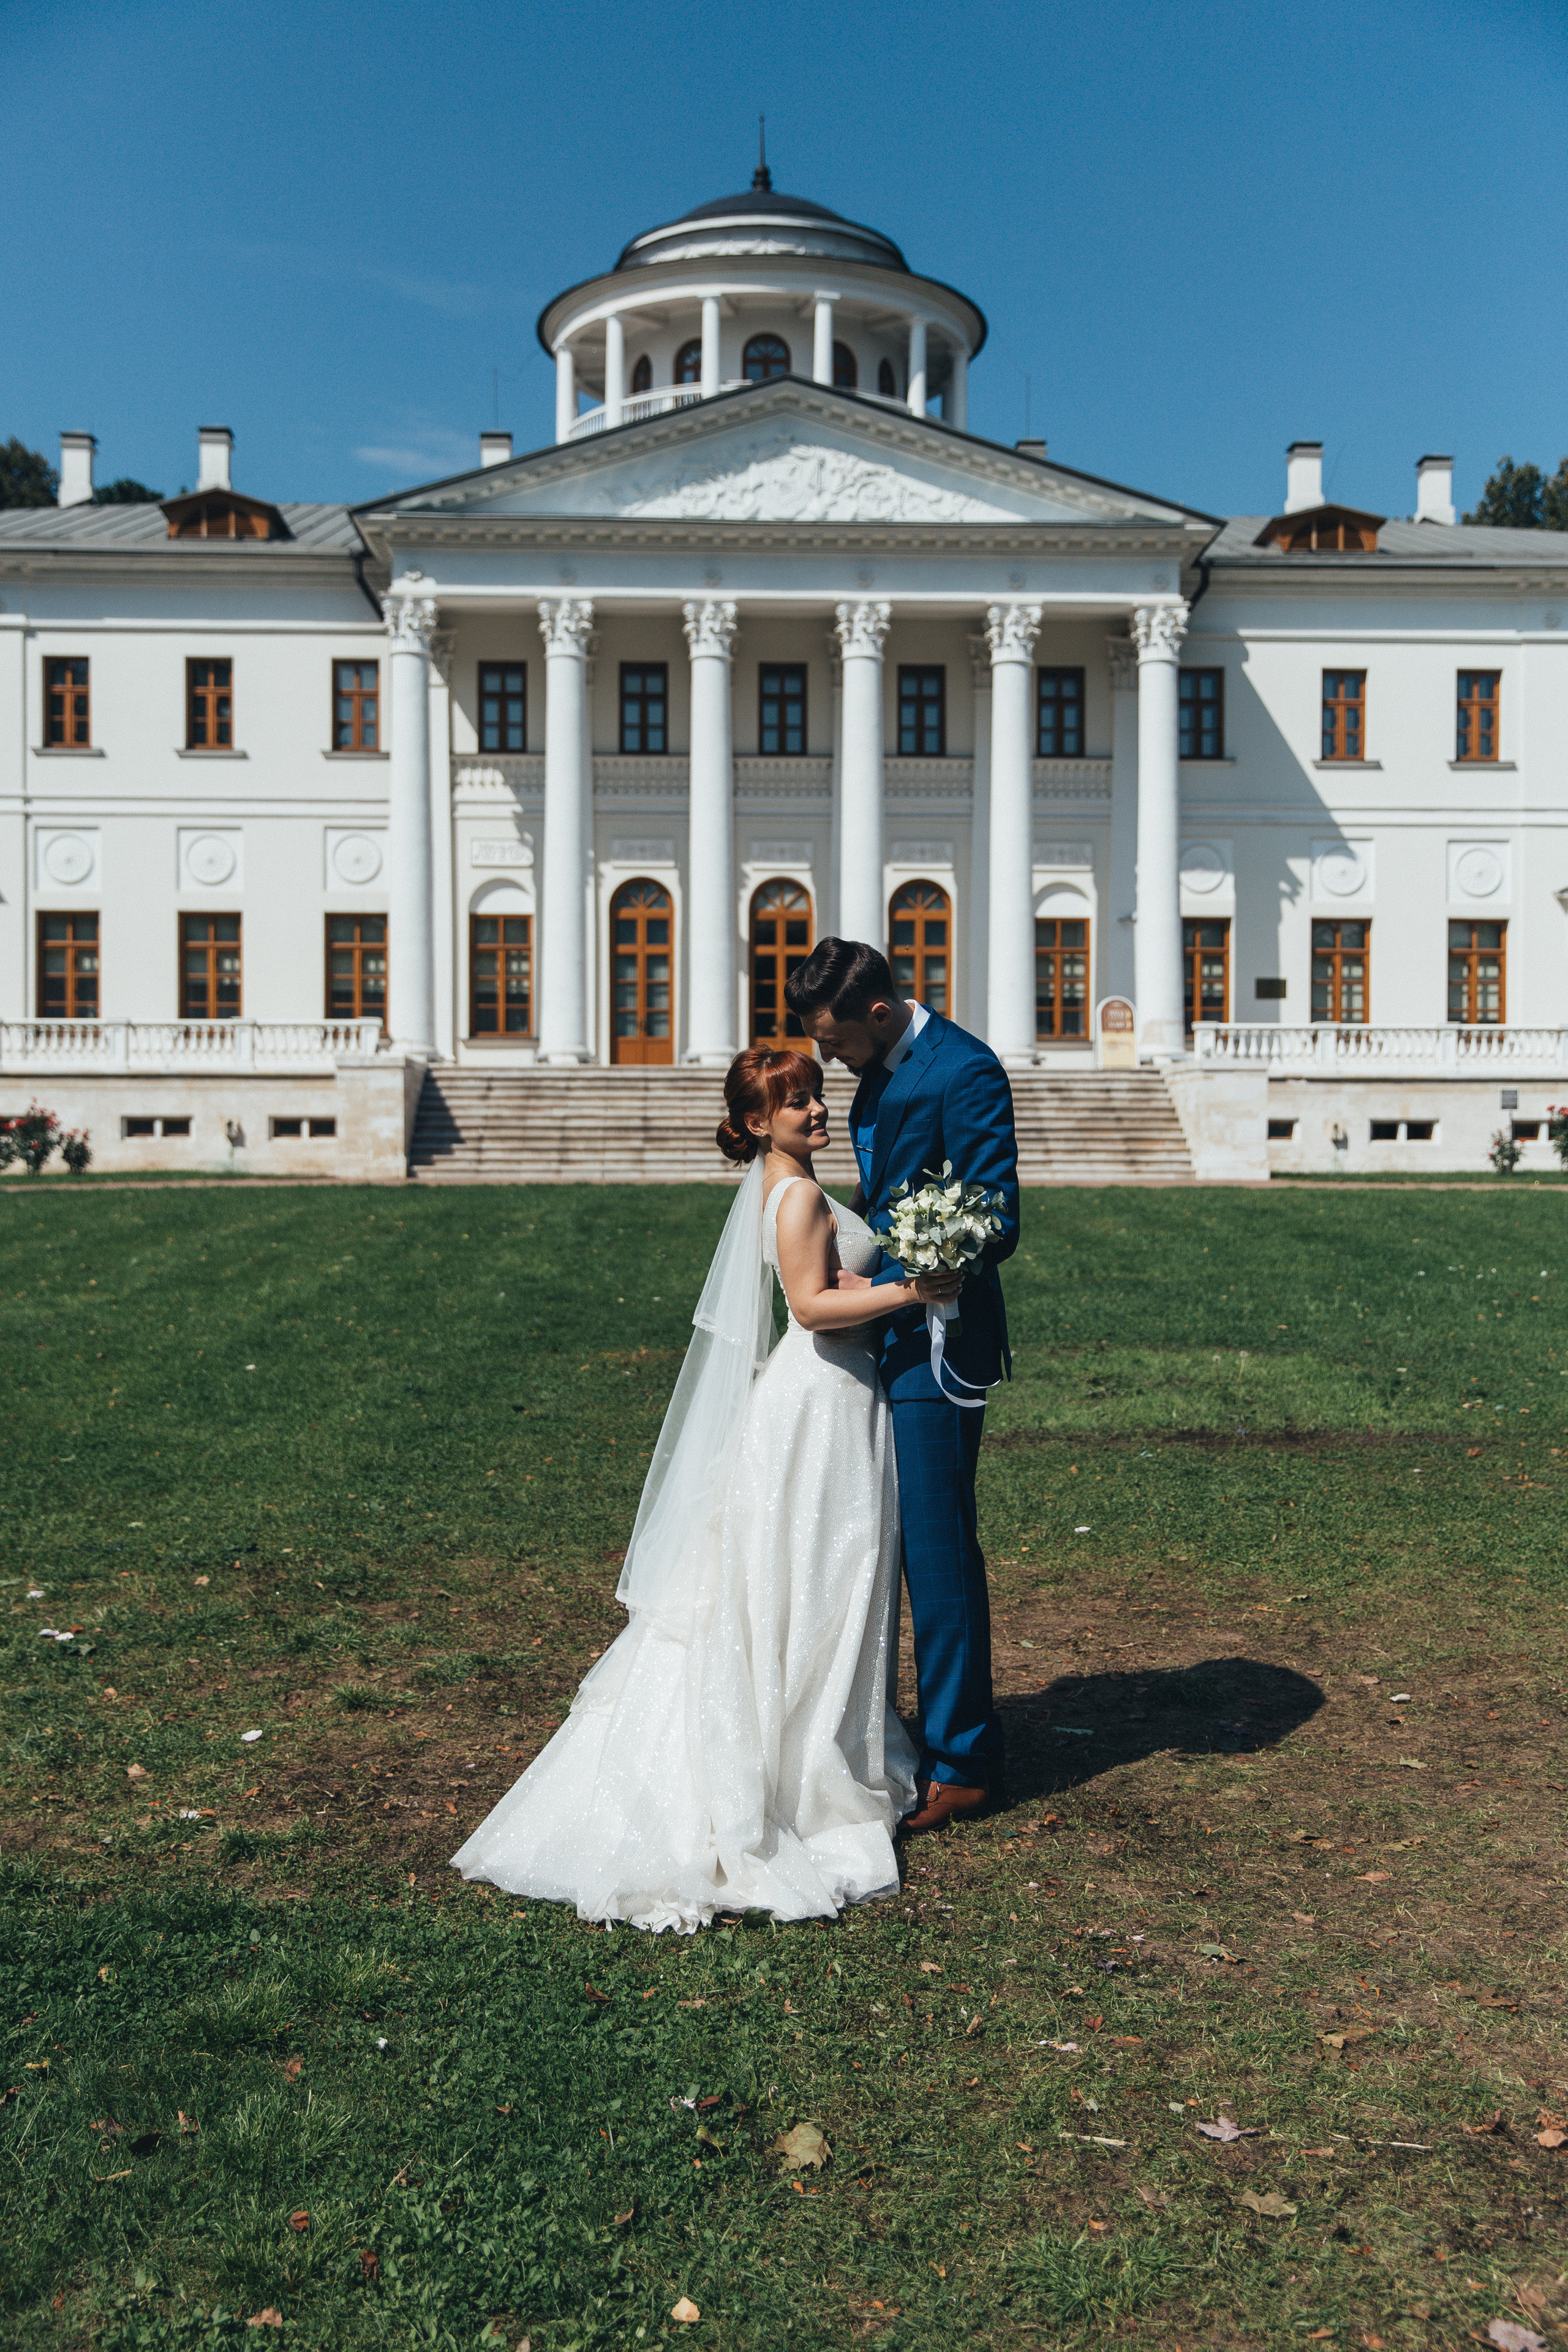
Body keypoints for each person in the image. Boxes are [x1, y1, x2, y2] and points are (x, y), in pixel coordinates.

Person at [451, 1044, 960, 1932]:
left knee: (808, 1577)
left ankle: (805, 1743)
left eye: (815, 1094)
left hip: (828, 1396)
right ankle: (796, 1768)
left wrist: (878, 1281)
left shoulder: (782, 1186)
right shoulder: (796, 1192)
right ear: (758, 1122)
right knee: (818, 1576)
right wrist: (912, 1290)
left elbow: (831, 1280)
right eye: (794, 1103)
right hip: (820, 1398)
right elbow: (809, 1306)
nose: (814, 1110)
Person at [783, 938, 1020, 1832]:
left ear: (878, 1014)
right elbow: (891, 1189)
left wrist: (915, 1265)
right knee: (880, 1544)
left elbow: (995, 1210)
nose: (829, 1060)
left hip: (940, 1342)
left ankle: (964, 1762)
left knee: (938, 1552)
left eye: (834, 1041)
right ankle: (902, 1729)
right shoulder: (879, 1066)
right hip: (882, 1328)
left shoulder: (966, 1070)